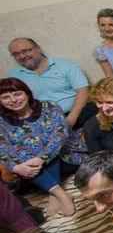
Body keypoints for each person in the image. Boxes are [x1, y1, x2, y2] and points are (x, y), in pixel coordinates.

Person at [0, 78, 82, 217]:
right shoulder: (1, 121)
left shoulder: (49, 107)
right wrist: (15, 168)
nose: (13, 100)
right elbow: (3, 149)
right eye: (6, 97)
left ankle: (55, 194)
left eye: (17, 94)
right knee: (21, 154)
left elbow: (60, 135)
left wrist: (41, 158)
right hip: (30, 166)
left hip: (65, 156)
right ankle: (60, 193)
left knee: (44, 149)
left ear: (27, 93)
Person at [7, 38, 97, 129]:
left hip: (77, 112)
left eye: (25, 51)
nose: (22, 56)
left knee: (95, 114)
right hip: (45, 120)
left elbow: (83, 90)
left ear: (38, 49)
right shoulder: (13, 76)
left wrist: (72, 118)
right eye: (16, 54)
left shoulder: (65, 65)